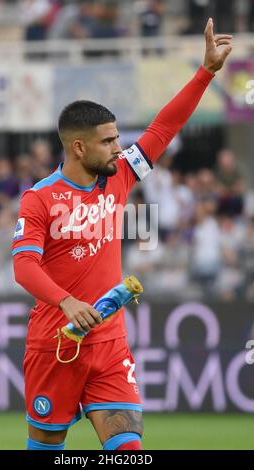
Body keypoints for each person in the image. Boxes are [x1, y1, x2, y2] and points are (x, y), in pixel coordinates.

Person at [12, 18, 232, 451]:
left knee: (129, 452)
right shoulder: (38, 199)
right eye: (109, 141)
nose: (119, 147)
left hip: (110, 343)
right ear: (79, 147)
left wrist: (206, 71)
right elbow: (23, 266)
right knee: (46, 448)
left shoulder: (121, 175)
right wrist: (67, 301)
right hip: (55, 344)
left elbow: (163, 128)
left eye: (117, 139)